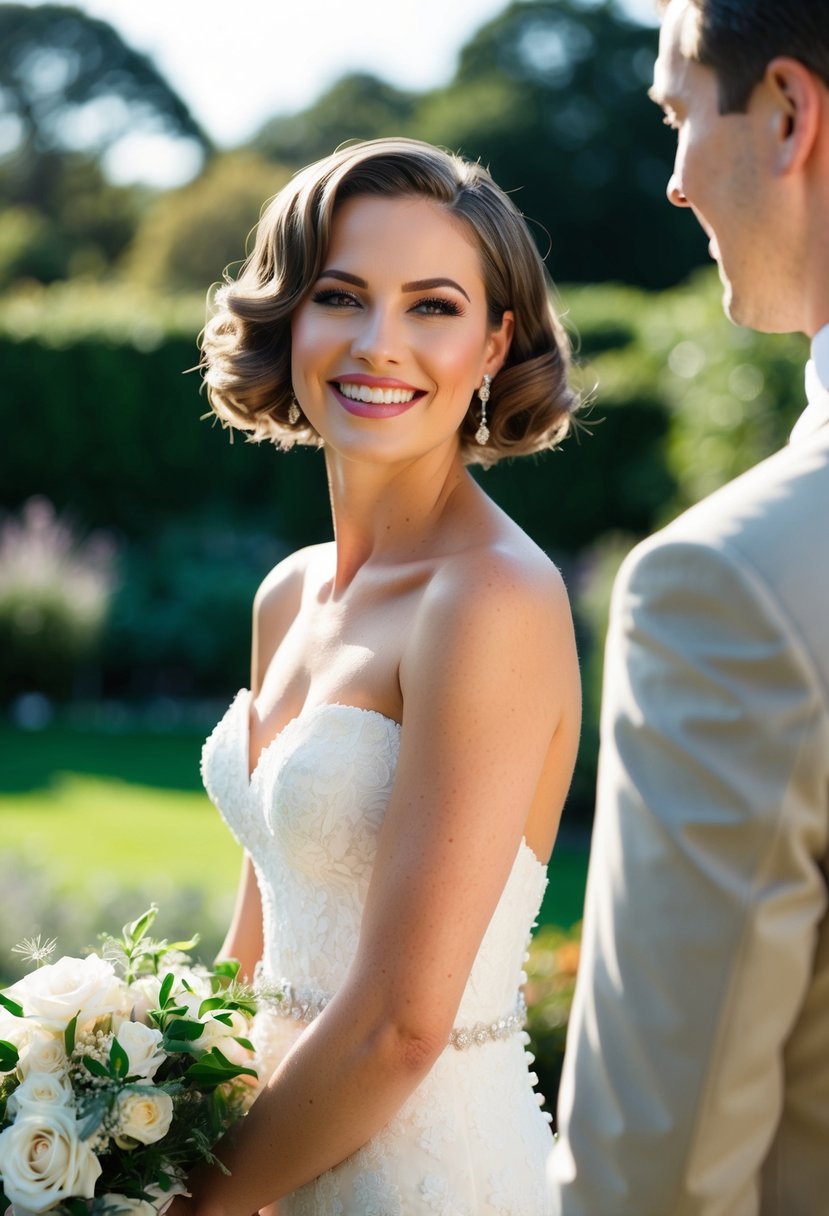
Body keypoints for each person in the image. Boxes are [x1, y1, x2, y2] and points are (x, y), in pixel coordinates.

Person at [171, 137, 581, 1215]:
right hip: (265, 1156)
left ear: (495, 343)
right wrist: (118, 1115)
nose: (377, 344)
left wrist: (188, 1205)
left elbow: (401, 1025)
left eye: (433, 307)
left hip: (423, 1179)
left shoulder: (492, 598)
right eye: (341, 295)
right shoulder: (289, 593)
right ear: (289, 320)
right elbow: (260, 937)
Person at [547, 1, 829, 1213]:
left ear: (785, 113)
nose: (669, 182)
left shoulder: (732, 587)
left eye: (674, 114)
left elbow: (652, 1174)